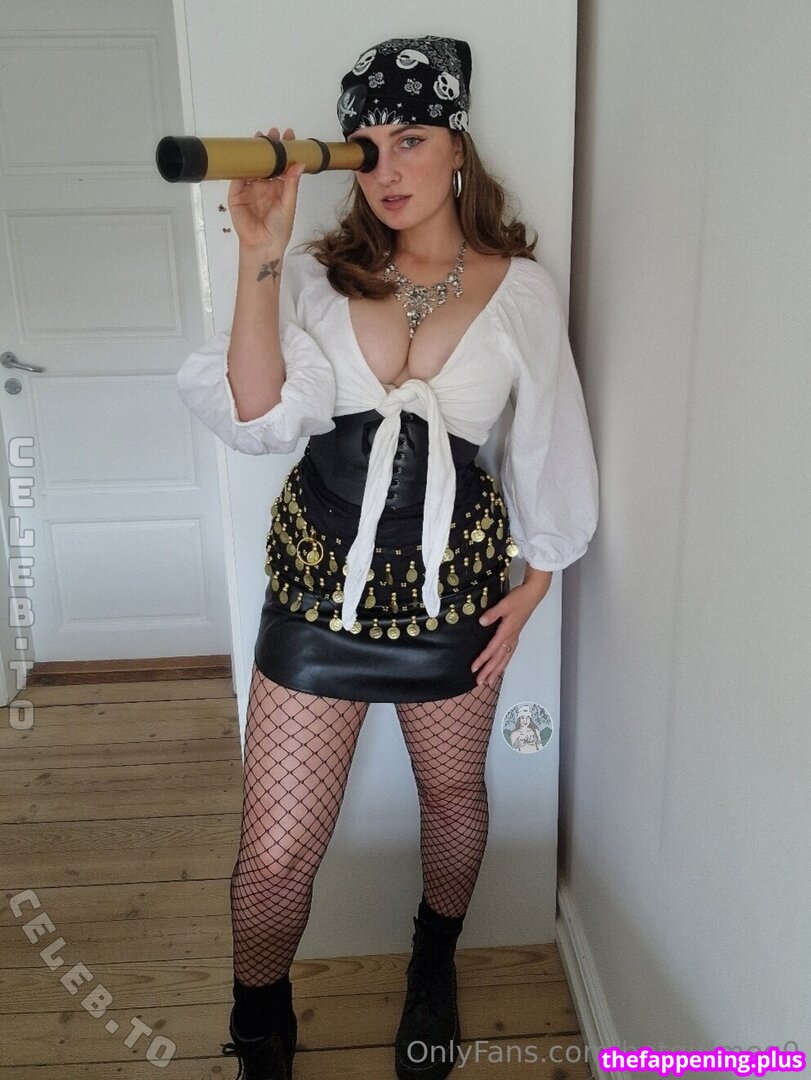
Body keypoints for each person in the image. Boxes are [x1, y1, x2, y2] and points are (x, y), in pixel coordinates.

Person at [176, 34, 598, 1080]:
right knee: (276, 852)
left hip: (453, 596)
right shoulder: (318, 279)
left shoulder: (521, 291)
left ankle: (431, 962)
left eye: (410, 137)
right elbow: (257, 417)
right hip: (317, 593)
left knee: (452, 803)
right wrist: (260, 251)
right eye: (365, 144)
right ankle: (259, 1018)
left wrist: (537, 579)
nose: (386, 167)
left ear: (457, 144)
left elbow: (548, 441)